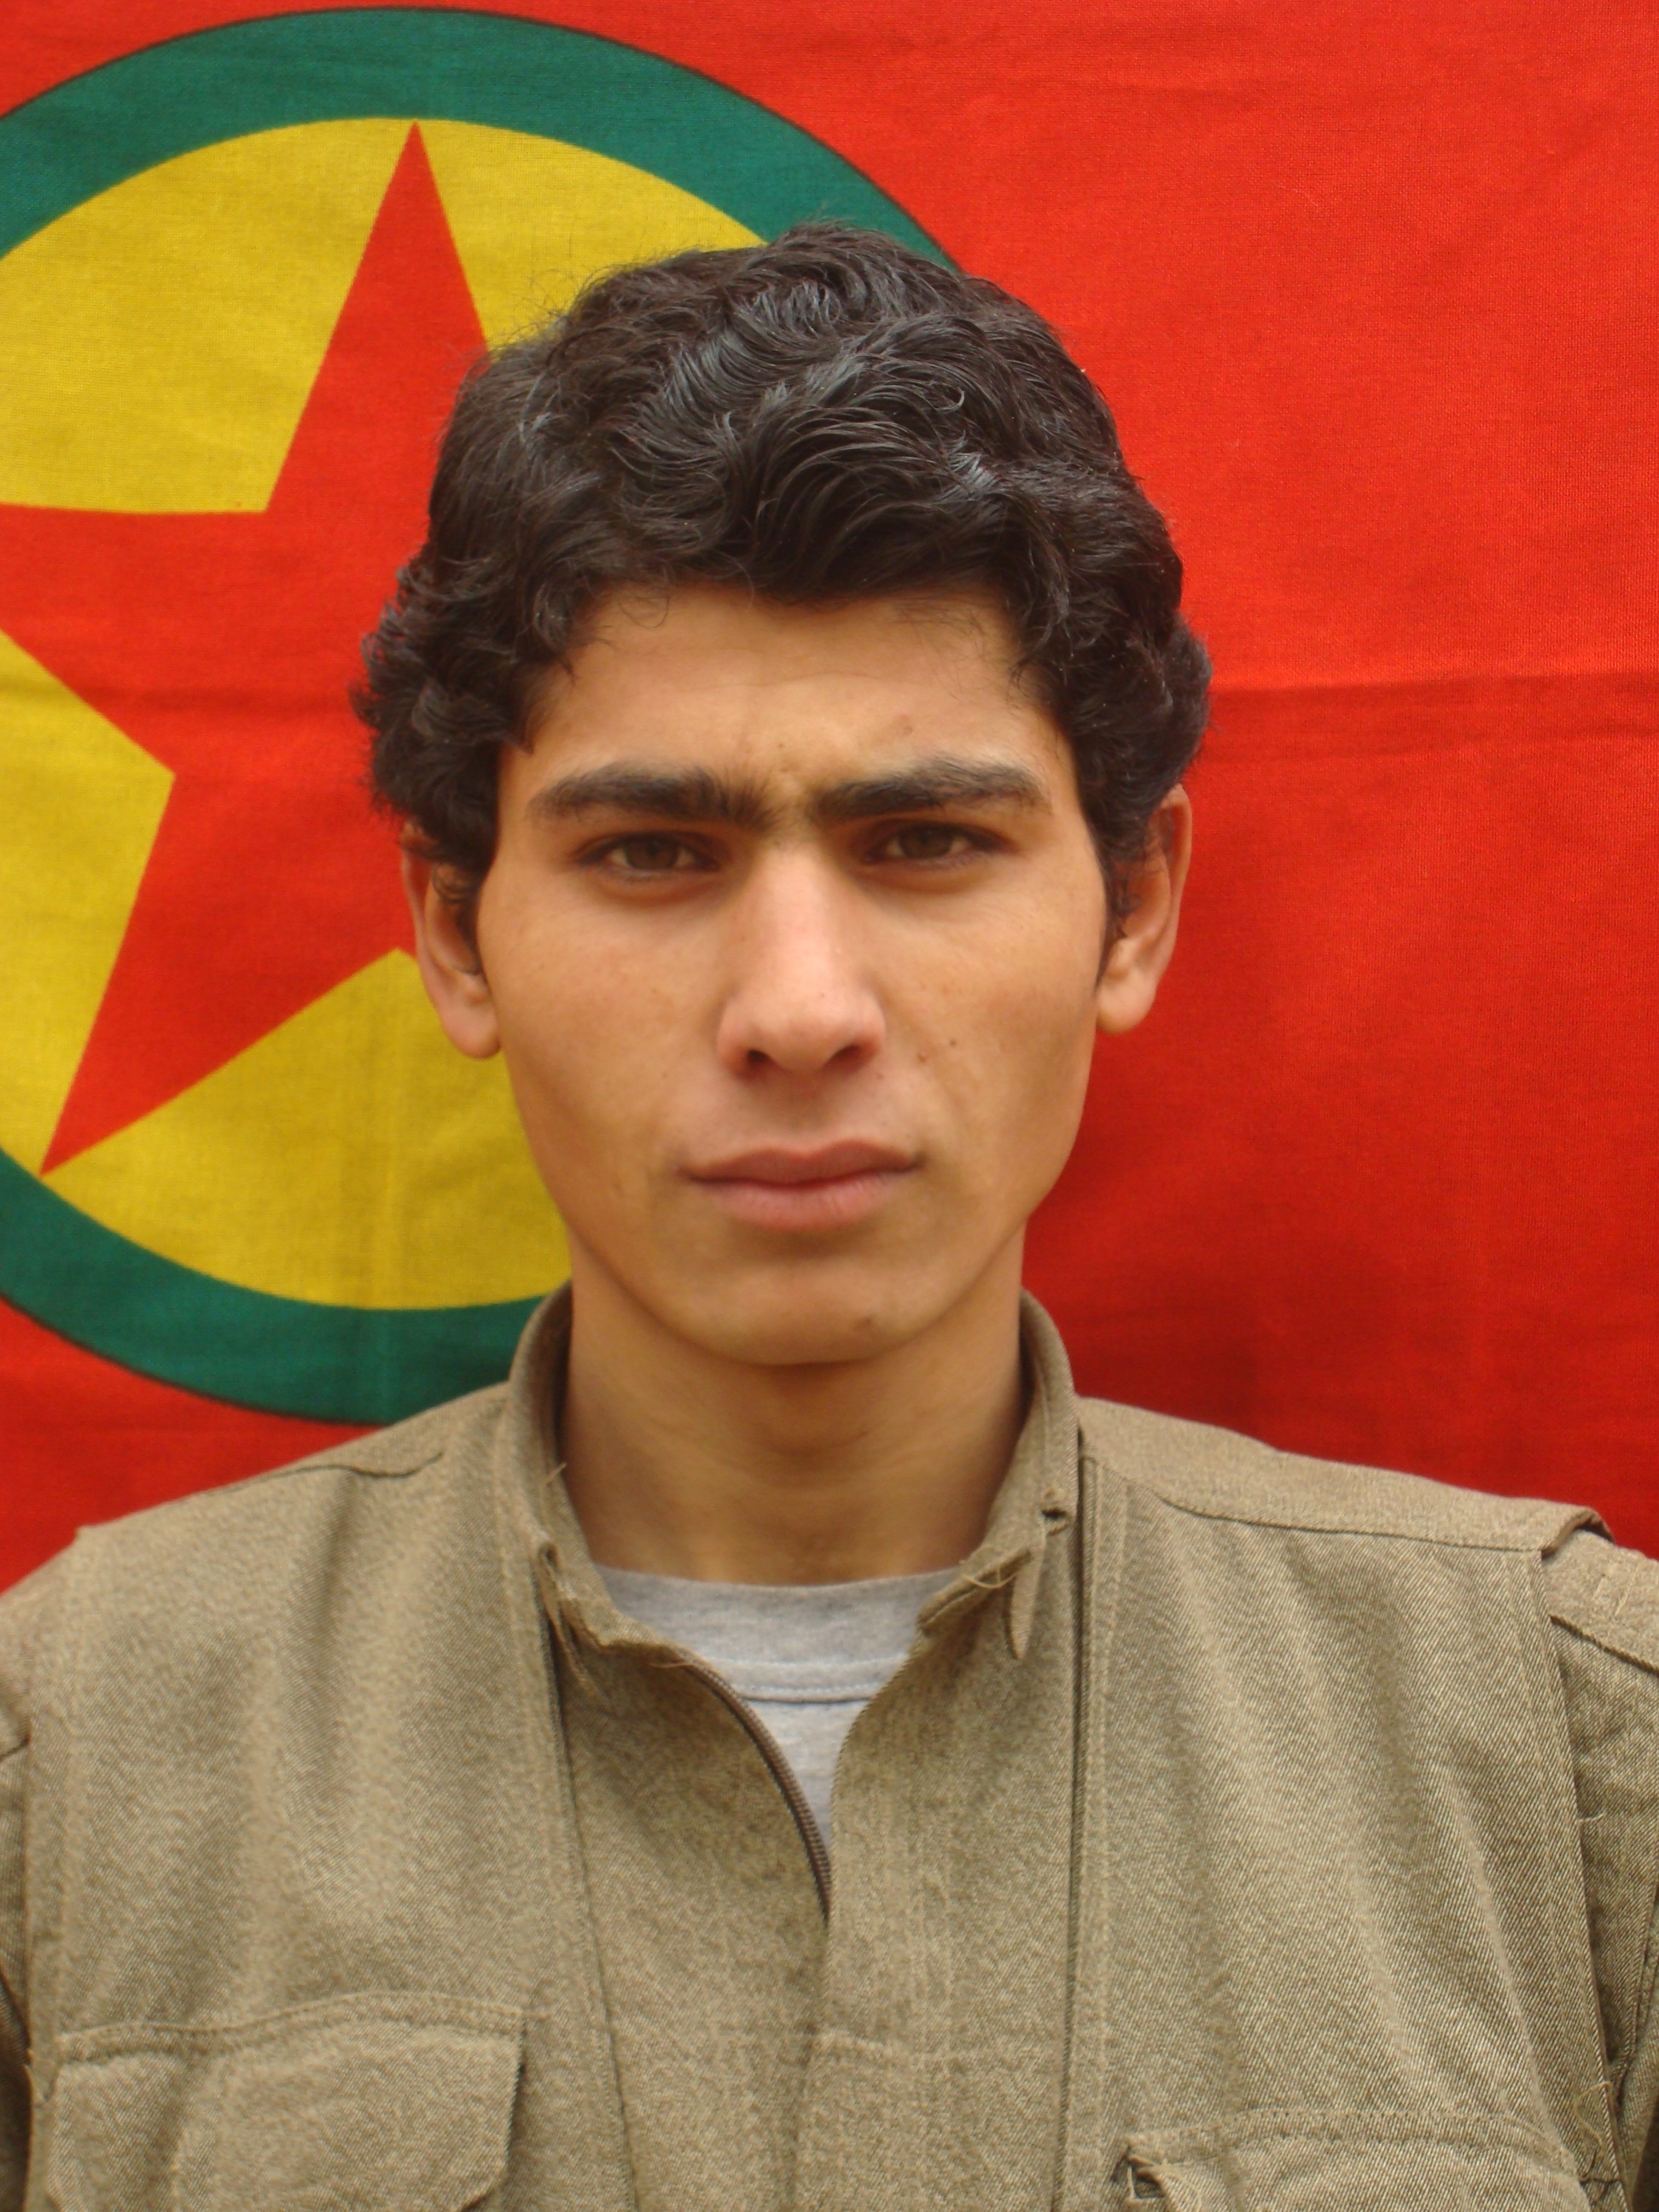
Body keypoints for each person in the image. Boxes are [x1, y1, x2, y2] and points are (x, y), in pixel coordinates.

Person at [1, 224, 1655, 2212]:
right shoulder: (68, 1767)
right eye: (652, 853)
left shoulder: (1570, 1761)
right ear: (455, 931)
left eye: (926, 841)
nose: (798, 1009)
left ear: (1133, 907)